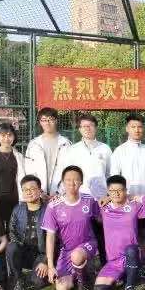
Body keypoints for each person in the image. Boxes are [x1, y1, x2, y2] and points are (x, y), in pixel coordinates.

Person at [62, 113, 112, 264]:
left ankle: (105, 267)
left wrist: (108, 195)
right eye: (84, 126)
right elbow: (67, 174)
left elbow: (110, 174)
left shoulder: (105, 149)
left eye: (90, 125)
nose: (87, 128)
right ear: (79, 129)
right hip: (80, 200)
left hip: (101, 200)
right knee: (81, 235)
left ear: (96, 128)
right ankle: (81, 269)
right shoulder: (72, 150)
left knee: (103, 235)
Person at [42, 166, 99, 290]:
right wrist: (50, 266)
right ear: (62, 182)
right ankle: (82, 272)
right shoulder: (53, 206)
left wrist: (108, 200)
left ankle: (83, 282)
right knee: (61, 289)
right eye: (68, 180)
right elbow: (50, 237)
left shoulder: (89, 200)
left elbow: (101, 218)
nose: (72, 183)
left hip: (87, 244)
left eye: (76, 180)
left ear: (81, 182)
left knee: (77, 256)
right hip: (67, 251)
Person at [94, 175, 145, 290]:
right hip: (113, 261)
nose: (116, 193)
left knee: (131, 250)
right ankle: (125, 275)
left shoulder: (134, 206)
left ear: (125, 190)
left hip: (131, 255)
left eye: (120, 190)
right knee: (99, 289)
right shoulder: (103, 207)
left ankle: (129, 286)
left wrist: (132, 196)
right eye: (112, 190)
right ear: (108, 191)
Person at [6, 175, 50, 290]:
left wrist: (46, 261)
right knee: (11, 247)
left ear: (40, 190)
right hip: (24, 252)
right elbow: (12, 232)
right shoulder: (17, 209)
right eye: (25, 190)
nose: (29, 192)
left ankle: (27, 277)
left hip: (42, 254)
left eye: (32, 189)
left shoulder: (49, 210)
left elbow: (55, 240)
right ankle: (18, 279)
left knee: (38, 282)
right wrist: (18, 247)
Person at [24, 107, 71, 196]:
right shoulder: (33, 144)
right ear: (40, 122)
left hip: (60, 194)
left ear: (56, 121)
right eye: (44, 120)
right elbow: (29, 170)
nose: (47, 123)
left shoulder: (66, 143)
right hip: (38, 193)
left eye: (51, 119)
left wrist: (59, 192)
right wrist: (39, 191)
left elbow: (69, 169)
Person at [110, 113, 145, 197]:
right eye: (133, 127)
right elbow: (114, 175)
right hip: (128, 197)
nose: (137, 130)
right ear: (127, 129)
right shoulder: (119, 151)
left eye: (140, 127)